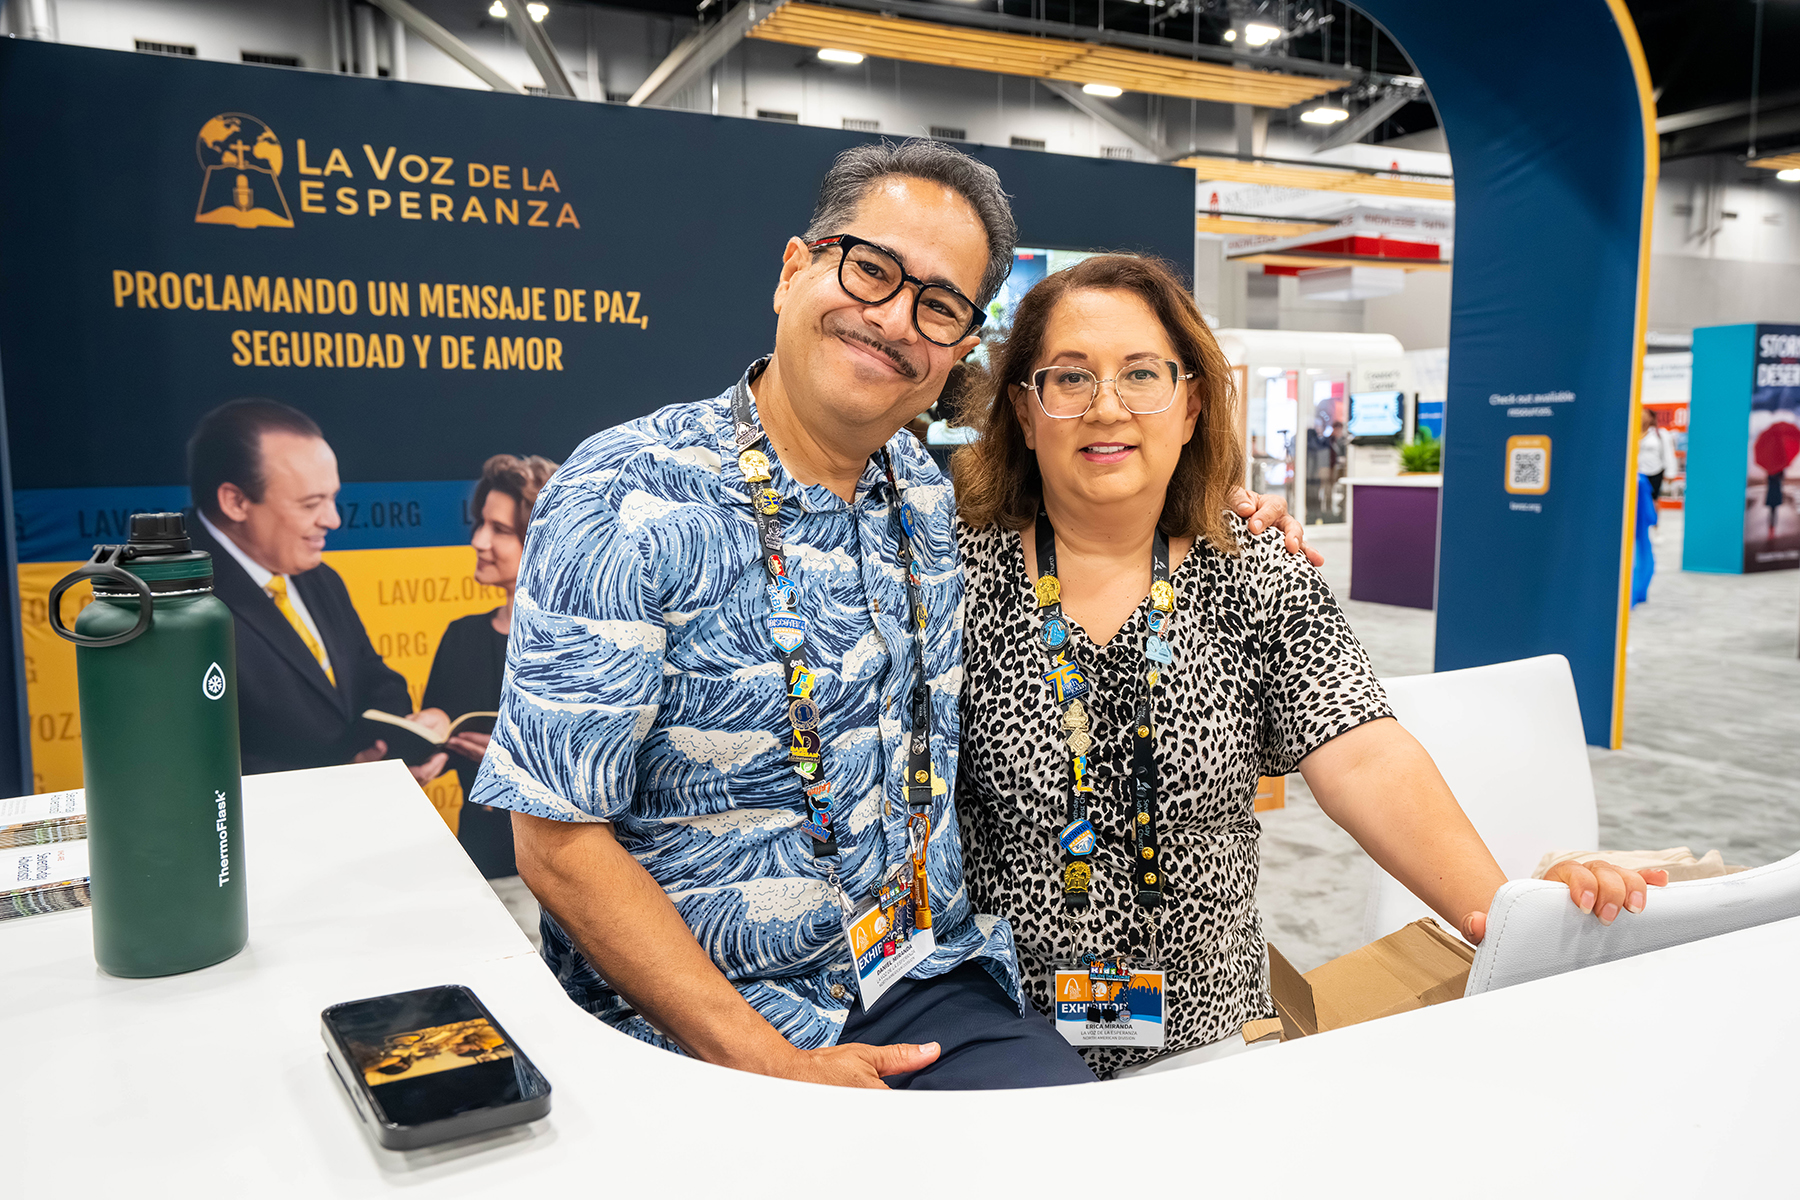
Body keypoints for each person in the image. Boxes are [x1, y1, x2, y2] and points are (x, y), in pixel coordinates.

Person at [469, 140, 1308, 1090]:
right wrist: (775, 1065)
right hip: (697, 1024)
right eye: (870, 268)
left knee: (1086, 1155)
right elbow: (553, 840)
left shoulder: (927, 499)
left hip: (929, 976)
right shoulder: (626, 497)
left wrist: (1221, 515)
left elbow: (1092, 515)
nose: (893, 318)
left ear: (956, 352)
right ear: (794, 270)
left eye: (938, 304)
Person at [951, 254, 1666, 1077]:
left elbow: (1363, 751)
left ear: (1189, 407)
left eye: (1142, 375)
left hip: (1207, 1039)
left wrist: (1508, 915)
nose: (1107, 406)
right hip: (1007, 1041)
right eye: (1070, 378)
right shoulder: (952, 575)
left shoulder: (1258, 570)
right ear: (1023, 408)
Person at [185, 398, 443, 781]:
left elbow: (374, 677)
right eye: (311, 504)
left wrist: (403, 737)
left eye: (332, 498)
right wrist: (343, 779)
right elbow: (193, 764)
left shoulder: (319, 576)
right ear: (235, 501)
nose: (333, 520)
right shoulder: (174, 606)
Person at [416, 453, 559, 878]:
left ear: (537, 538)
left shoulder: (583, 639)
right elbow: (436, 738)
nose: (478, 540)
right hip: (482, 863)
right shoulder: (461, 635)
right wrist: (421, 748)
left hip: (564, 862)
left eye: (498, 530)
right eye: (480, 524)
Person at [1638, 408, 1675, 501]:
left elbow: (1668, 452)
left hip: (1654, 471)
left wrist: (1670, 472)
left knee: (1652, 500)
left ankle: (1653, 515)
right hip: (1637, 471)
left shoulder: (1660, 433)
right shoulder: (1633, 433)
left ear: (1651, 417)